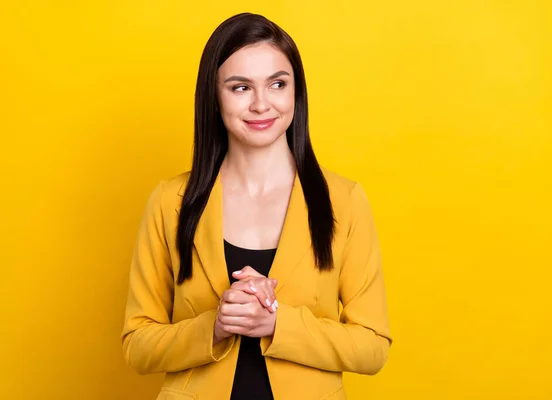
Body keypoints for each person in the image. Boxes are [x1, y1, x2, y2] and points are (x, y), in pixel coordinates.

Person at [121, 12, 392, 400]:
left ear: (295, 91)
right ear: (214, 97)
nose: (262, 104)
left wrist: (277, 322)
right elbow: (137, 344)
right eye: (240, 87)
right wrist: (214, 326)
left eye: (277, 84)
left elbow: (373, 347)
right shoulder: (170, 201)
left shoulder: (344, 200)